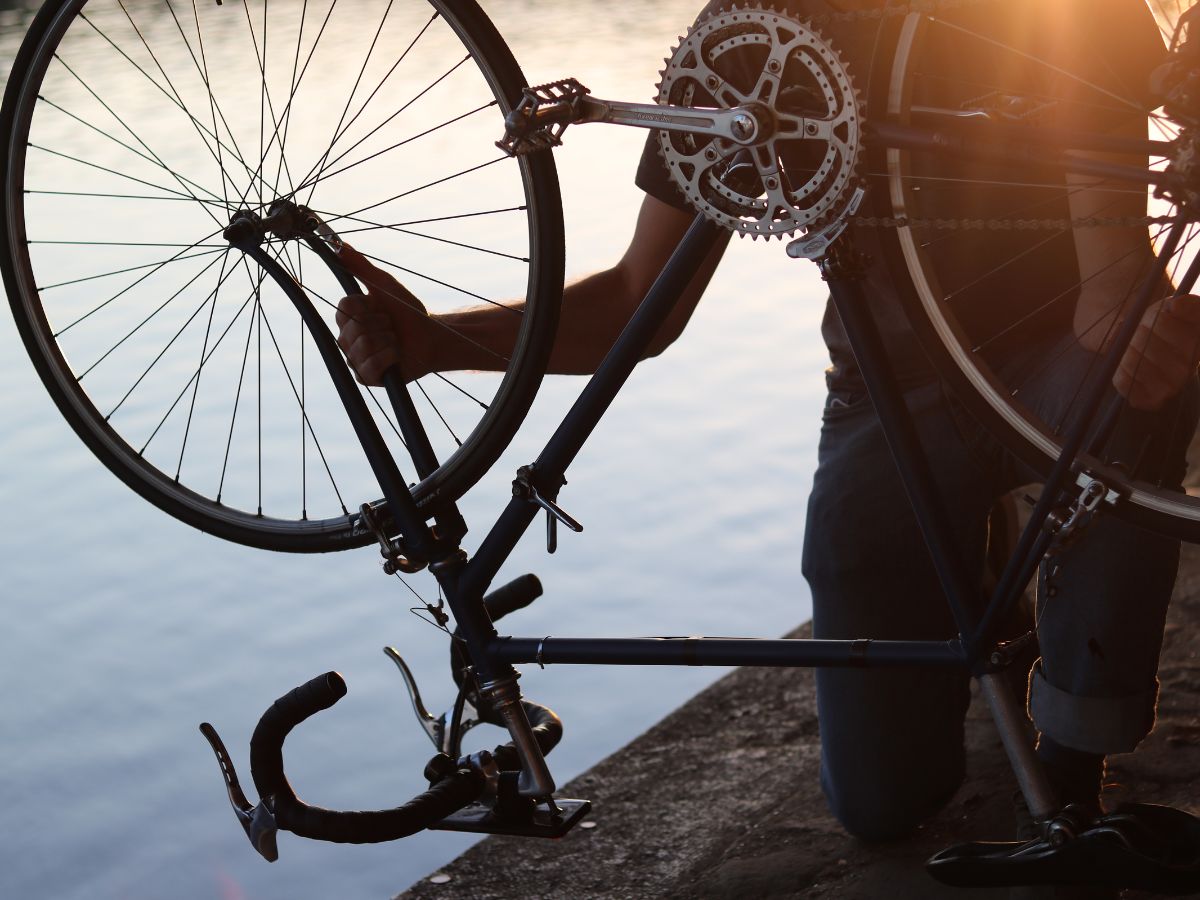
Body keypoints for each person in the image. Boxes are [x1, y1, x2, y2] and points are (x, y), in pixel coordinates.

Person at [336, 0, 1200, 861]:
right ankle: (986, 585)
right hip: (886, 406)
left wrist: (1159, 326)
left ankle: (1074, 787)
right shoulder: (756, 38)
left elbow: (1112, 298)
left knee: (1136, 380)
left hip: (1056, 375)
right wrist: (439, 342)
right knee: (880, 805)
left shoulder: (1074, 14)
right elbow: (643, 299)